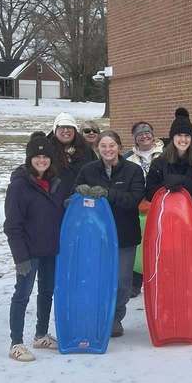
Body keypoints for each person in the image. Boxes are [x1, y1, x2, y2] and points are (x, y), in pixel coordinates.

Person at [146, 112, 192, 338]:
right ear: (172, 137)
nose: (183, 139)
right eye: (178, 135)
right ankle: (168, 314)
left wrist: (185, 183)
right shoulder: (160, 162)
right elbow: (149, 192)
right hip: (165, 225)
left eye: (186, 135)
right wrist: (164, 186)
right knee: (168, 268)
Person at [76, 130, 145, 338]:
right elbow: (75, 193)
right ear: (98, 148)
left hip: (125, 234)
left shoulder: (133, 170)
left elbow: (133, 200)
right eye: (103, 146)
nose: (108, 150)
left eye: (112, 145)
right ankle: (98, 316)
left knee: (122, 281)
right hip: (96, 235)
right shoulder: (88, 170)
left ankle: (115, 317)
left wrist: (108, 194)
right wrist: (81, 194)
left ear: (119, 147)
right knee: (97, 277)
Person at [3, 132, 65, 362]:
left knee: (47, 292)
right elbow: (12, 226)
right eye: (37, 157)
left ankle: (40, 334)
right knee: (22, 294)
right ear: (29, 159)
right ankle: (16, 343)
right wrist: (20, 257)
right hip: (28, 253)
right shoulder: (19, 186)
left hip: (50, 250)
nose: (41, 160)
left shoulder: (55, 184)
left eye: (45, 156)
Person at [123, 121, 165, 295]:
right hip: (138, 207)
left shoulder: (165, 153)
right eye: (140, 134)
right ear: (135, 138)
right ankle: (135, 281)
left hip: (161, 205)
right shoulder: (128, 158)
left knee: (160, 242)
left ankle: (159, 277)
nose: (144, 136)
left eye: (147, 132)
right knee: (138, 243)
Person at [46, 113, 92, 197]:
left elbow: (95, 172)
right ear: (55, 130)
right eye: (62, 127)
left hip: (80, 200)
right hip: (53, 200)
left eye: (69, 127)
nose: (66, 130)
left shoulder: (86, 149)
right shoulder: (47, 150)